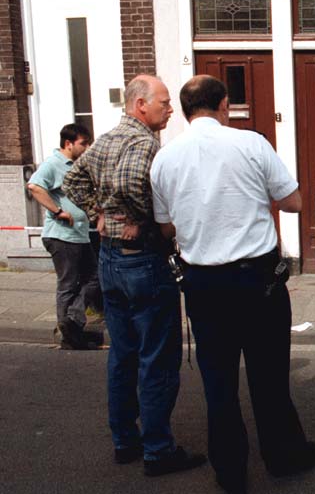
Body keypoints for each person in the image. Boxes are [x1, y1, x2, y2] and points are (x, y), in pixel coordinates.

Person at [149, 75, 315, 494]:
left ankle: (230, 471)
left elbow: (166, 226)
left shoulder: (165, 159)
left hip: (204, 283)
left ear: (187, 112)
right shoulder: (251, 144)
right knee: (269, 375)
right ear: (224, 105)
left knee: (218, 380)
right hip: (257, 280)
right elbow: (295, 202)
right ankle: (282, 456)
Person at [62, 75, 206, 477]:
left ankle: (125, 439)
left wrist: (99, 214)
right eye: (163, 102)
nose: (170, 108)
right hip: (142, 262)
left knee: (123, 357)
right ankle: (158, 451)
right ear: (140, 104)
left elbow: (71, 180)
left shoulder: (105, 139)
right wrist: (141, 219)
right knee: (157, 360)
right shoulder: (144, 142)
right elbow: (128, 183)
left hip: (109, 261)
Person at [27, 123, 103, 350]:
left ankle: (72, 322)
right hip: (62, 236)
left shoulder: (77, 165)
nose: (87, 147)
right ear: (68, 144)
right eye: (83, 143)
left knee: (94, 278)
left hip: (78, 235)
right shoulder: (53, 163)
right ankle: (69, 335)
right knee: (68, 285)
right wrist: (58, 211)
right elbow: (34, 186)